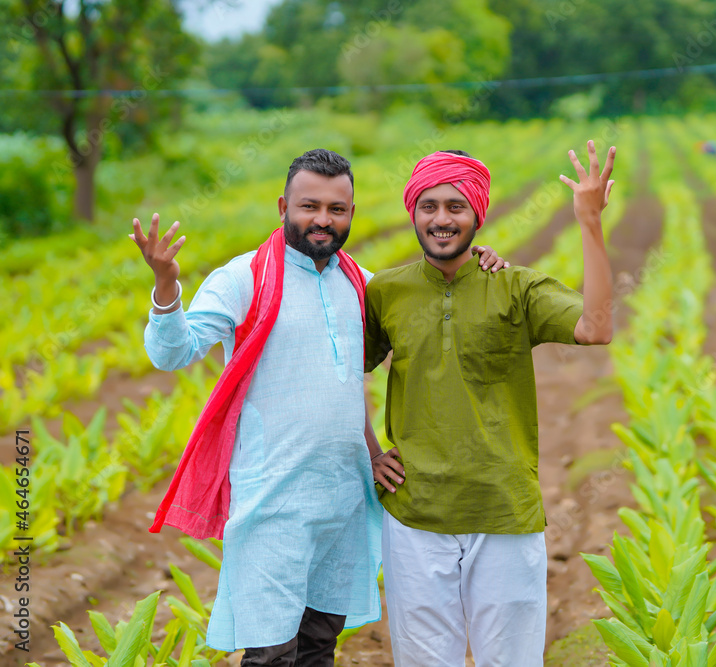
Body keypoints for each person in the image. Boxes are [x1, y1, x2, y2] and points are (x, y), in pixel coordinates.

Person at [130, 148, 506, 666]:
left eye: (337, 209)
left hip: (344, 498)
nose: (323, 220)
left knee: (317, 647)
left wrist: (480, 262)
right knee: (271, 652)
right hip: (272, 500)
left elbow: (353, 382)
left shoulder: (362, 284)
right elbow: (172, 352)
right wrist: (167, 285)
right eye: (310, 206)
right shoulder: (244, 278)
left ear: (352, 213)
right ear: (283, 205)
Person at [364, 141, 616, 665]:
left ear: (477, 213)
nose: (441, 219)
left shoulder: (516, 287)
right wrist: (368, 449)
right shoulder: (386, 291)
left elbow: (596, 327)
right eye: (428, 206)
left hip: (504, 512)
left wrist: (589, 223)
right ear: (412, 211)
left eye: (456, 206)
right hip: (415, 514)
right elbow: (340, 373)